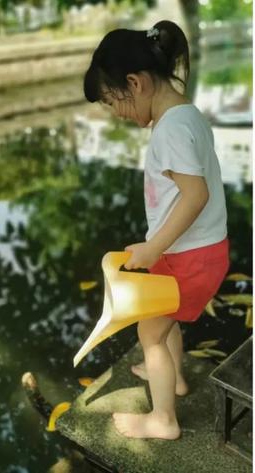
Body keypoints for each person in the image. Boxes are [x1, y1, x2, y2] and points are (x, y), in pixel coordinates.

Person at [83, 20, 229, 440]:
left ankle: (163, 419)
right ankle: (174, 378)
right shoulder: (187, 115)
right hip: (200, 251)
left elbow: (195, 195)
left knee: (149, 330)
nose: (119, 115)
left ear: (137, 82)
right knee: (167, 323)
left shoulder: (171, 130)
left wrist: (152, 247)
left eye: (115, 102)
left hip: (188, 255)